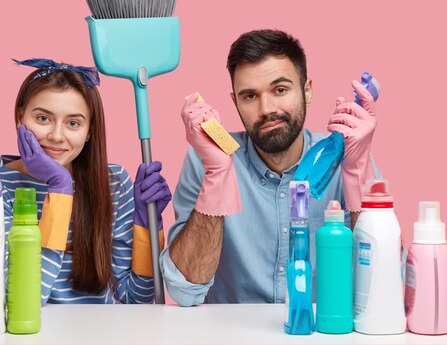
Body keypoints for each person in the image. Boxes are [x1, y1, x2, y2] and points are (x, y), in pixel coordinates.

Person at [160, 29, 378, 306]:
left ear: (307, 90)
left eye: (280, 90)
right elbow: (184, 291)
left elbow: (385, 280)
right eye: (250, 96)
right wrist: (217, 175)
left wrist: (358, 175)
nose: (266, 109)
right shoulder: (206, 160)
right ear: (235, 102)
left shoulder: (347, 157)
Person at [0, 58, 172, 305]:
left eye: (73, 123)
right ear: (19, 116)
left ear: (89, 131)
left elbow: (136, 300)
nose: (56, 135)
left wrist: (147, 225)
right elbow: (21, 303)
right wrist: (60, 187)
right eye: (43, 119)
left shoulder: (114, 183)